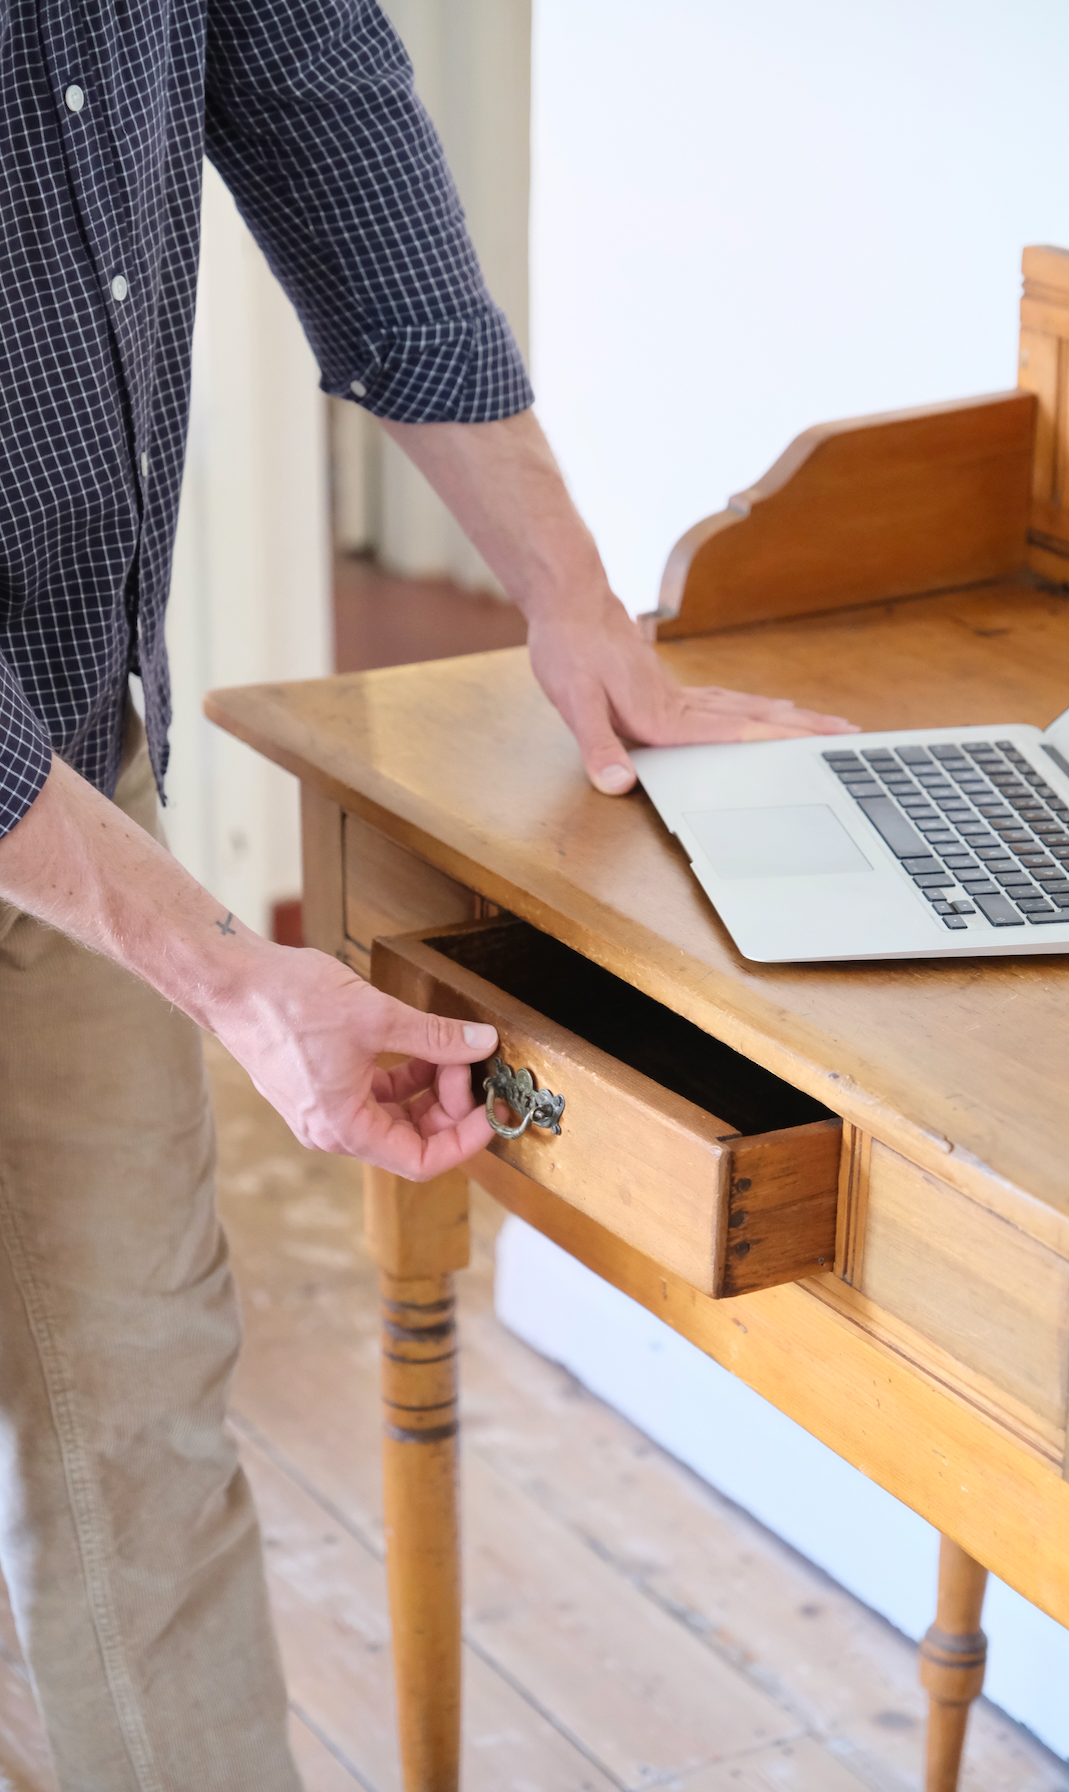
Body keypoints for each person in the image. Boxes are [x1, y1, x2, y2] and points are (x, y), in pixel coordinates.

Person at [0, 1, 856, 1784]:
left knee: (135, 1415)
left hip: (70, 742)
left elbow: (345, 148)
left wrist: (580, 606)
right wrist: (240, 983)